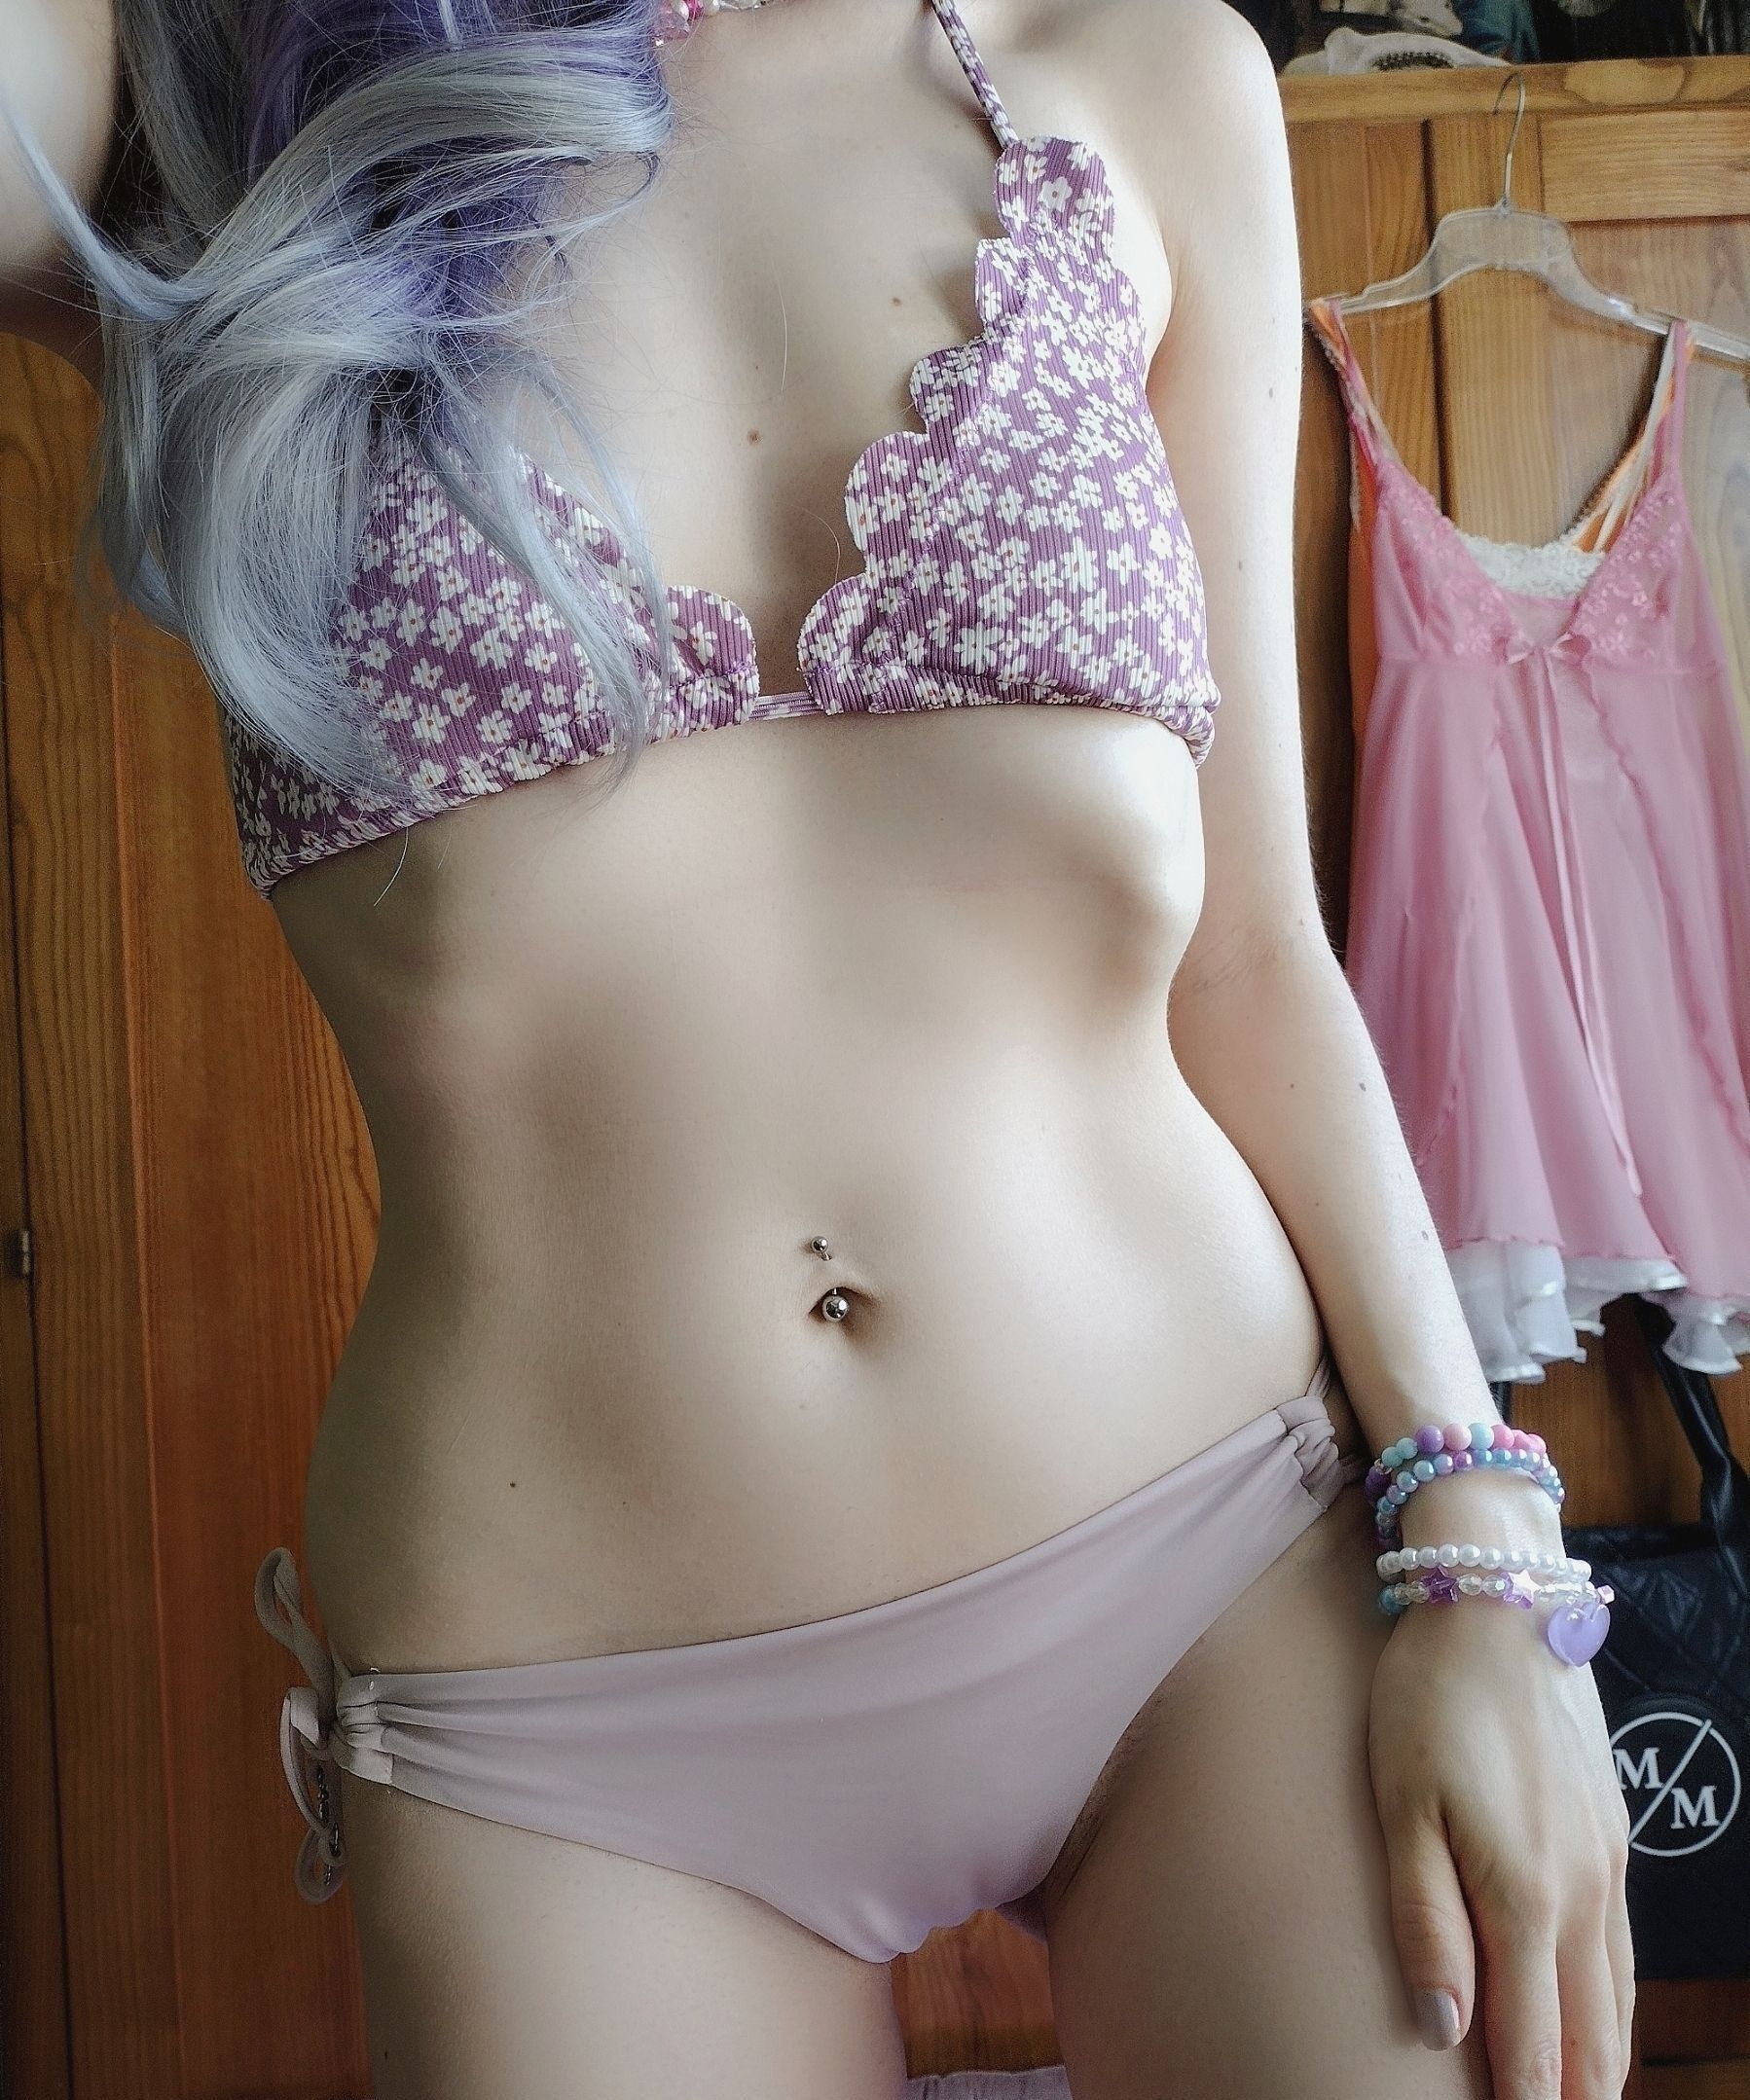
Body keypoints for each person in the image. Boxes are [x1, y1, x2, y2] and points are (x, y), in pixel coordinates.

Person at [0, 1, 1632, 2093]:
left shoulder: (1140, 74)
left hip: (1215, 1558)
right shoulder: (215, 114)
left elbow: (1251, 952)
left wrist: (1480, 1545)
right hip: (572, 1727)